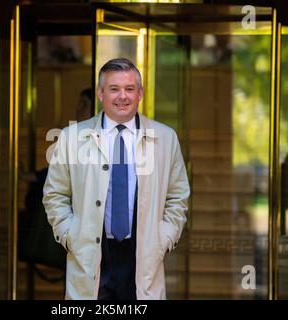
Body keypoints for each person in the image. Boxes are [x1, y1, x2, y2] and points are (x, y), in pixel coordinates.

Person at [43, 58, 190, 300]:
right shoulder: (72, 137)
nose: (123, 96)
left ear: (140, 93)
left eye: (129, 89)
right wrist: (72, 235)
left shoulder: (165, 138)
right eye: (114, 89)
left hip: (143, 255)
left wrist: (163, 239)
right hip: (92, 254)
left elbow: (178, 196)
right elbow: (54, 194)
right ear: (101, 93)